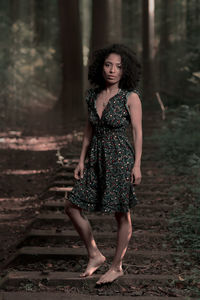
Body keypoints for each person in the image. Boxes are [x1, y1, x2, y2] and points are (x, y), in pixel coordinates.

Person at [64, 43, 142, 285]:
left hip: (119, 157)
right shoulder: (92, 96)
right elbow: (89, 130)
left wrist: (137, 165)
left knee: (122, 213)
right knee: (72, 205)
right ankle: (95, 254)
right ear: (101, 67)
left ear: (124, 71)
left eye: (118, 67)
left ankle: (117, 266)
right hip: (95, 156)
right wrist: (80, 160)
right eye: (108, 65)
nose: (112, 70)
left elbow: (138, 132)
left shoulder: (130, 97)